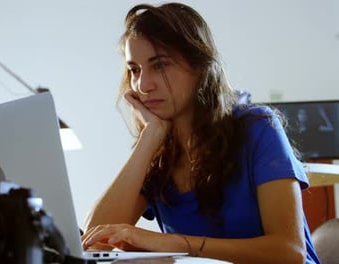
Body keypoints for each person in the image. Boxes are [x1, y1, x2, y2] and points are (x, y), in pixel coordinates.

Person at [81, 3, 321, 263]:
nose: (143, 85)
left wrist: (176, 244)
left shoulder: (258, 128)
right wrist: (149, 138)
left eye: (159, 65)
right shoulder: (157, 150)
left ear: (199, 66)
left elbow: (289, 253)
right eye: (134, 70)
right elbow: (94, 240)